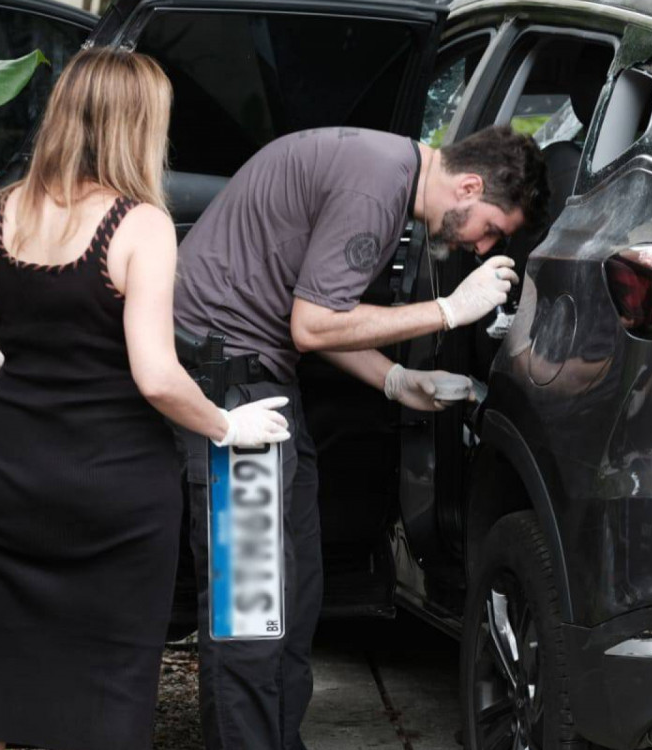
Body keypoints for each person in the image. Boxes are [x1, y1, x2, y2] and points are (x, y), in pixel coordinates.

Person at [173, 124, 549, 749]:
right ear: (469, 185)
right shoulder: (376, 186)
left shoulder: (384, 174)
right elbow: (315, 325)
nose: (482, 248)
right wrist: (450, 311)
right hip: (227, 387)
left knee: (293, 592)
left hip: (257, 380)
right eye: (491, 227)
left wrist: (398, 379)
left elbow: (324, 315)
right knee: (250, 607)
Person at [0, 48, 290, 750]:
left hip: (10, 482)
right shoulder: (139, 224)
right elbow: (155, 375)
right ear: (139, 124)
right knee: (109, 695)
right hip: (112, 496)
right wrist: (223, 426)